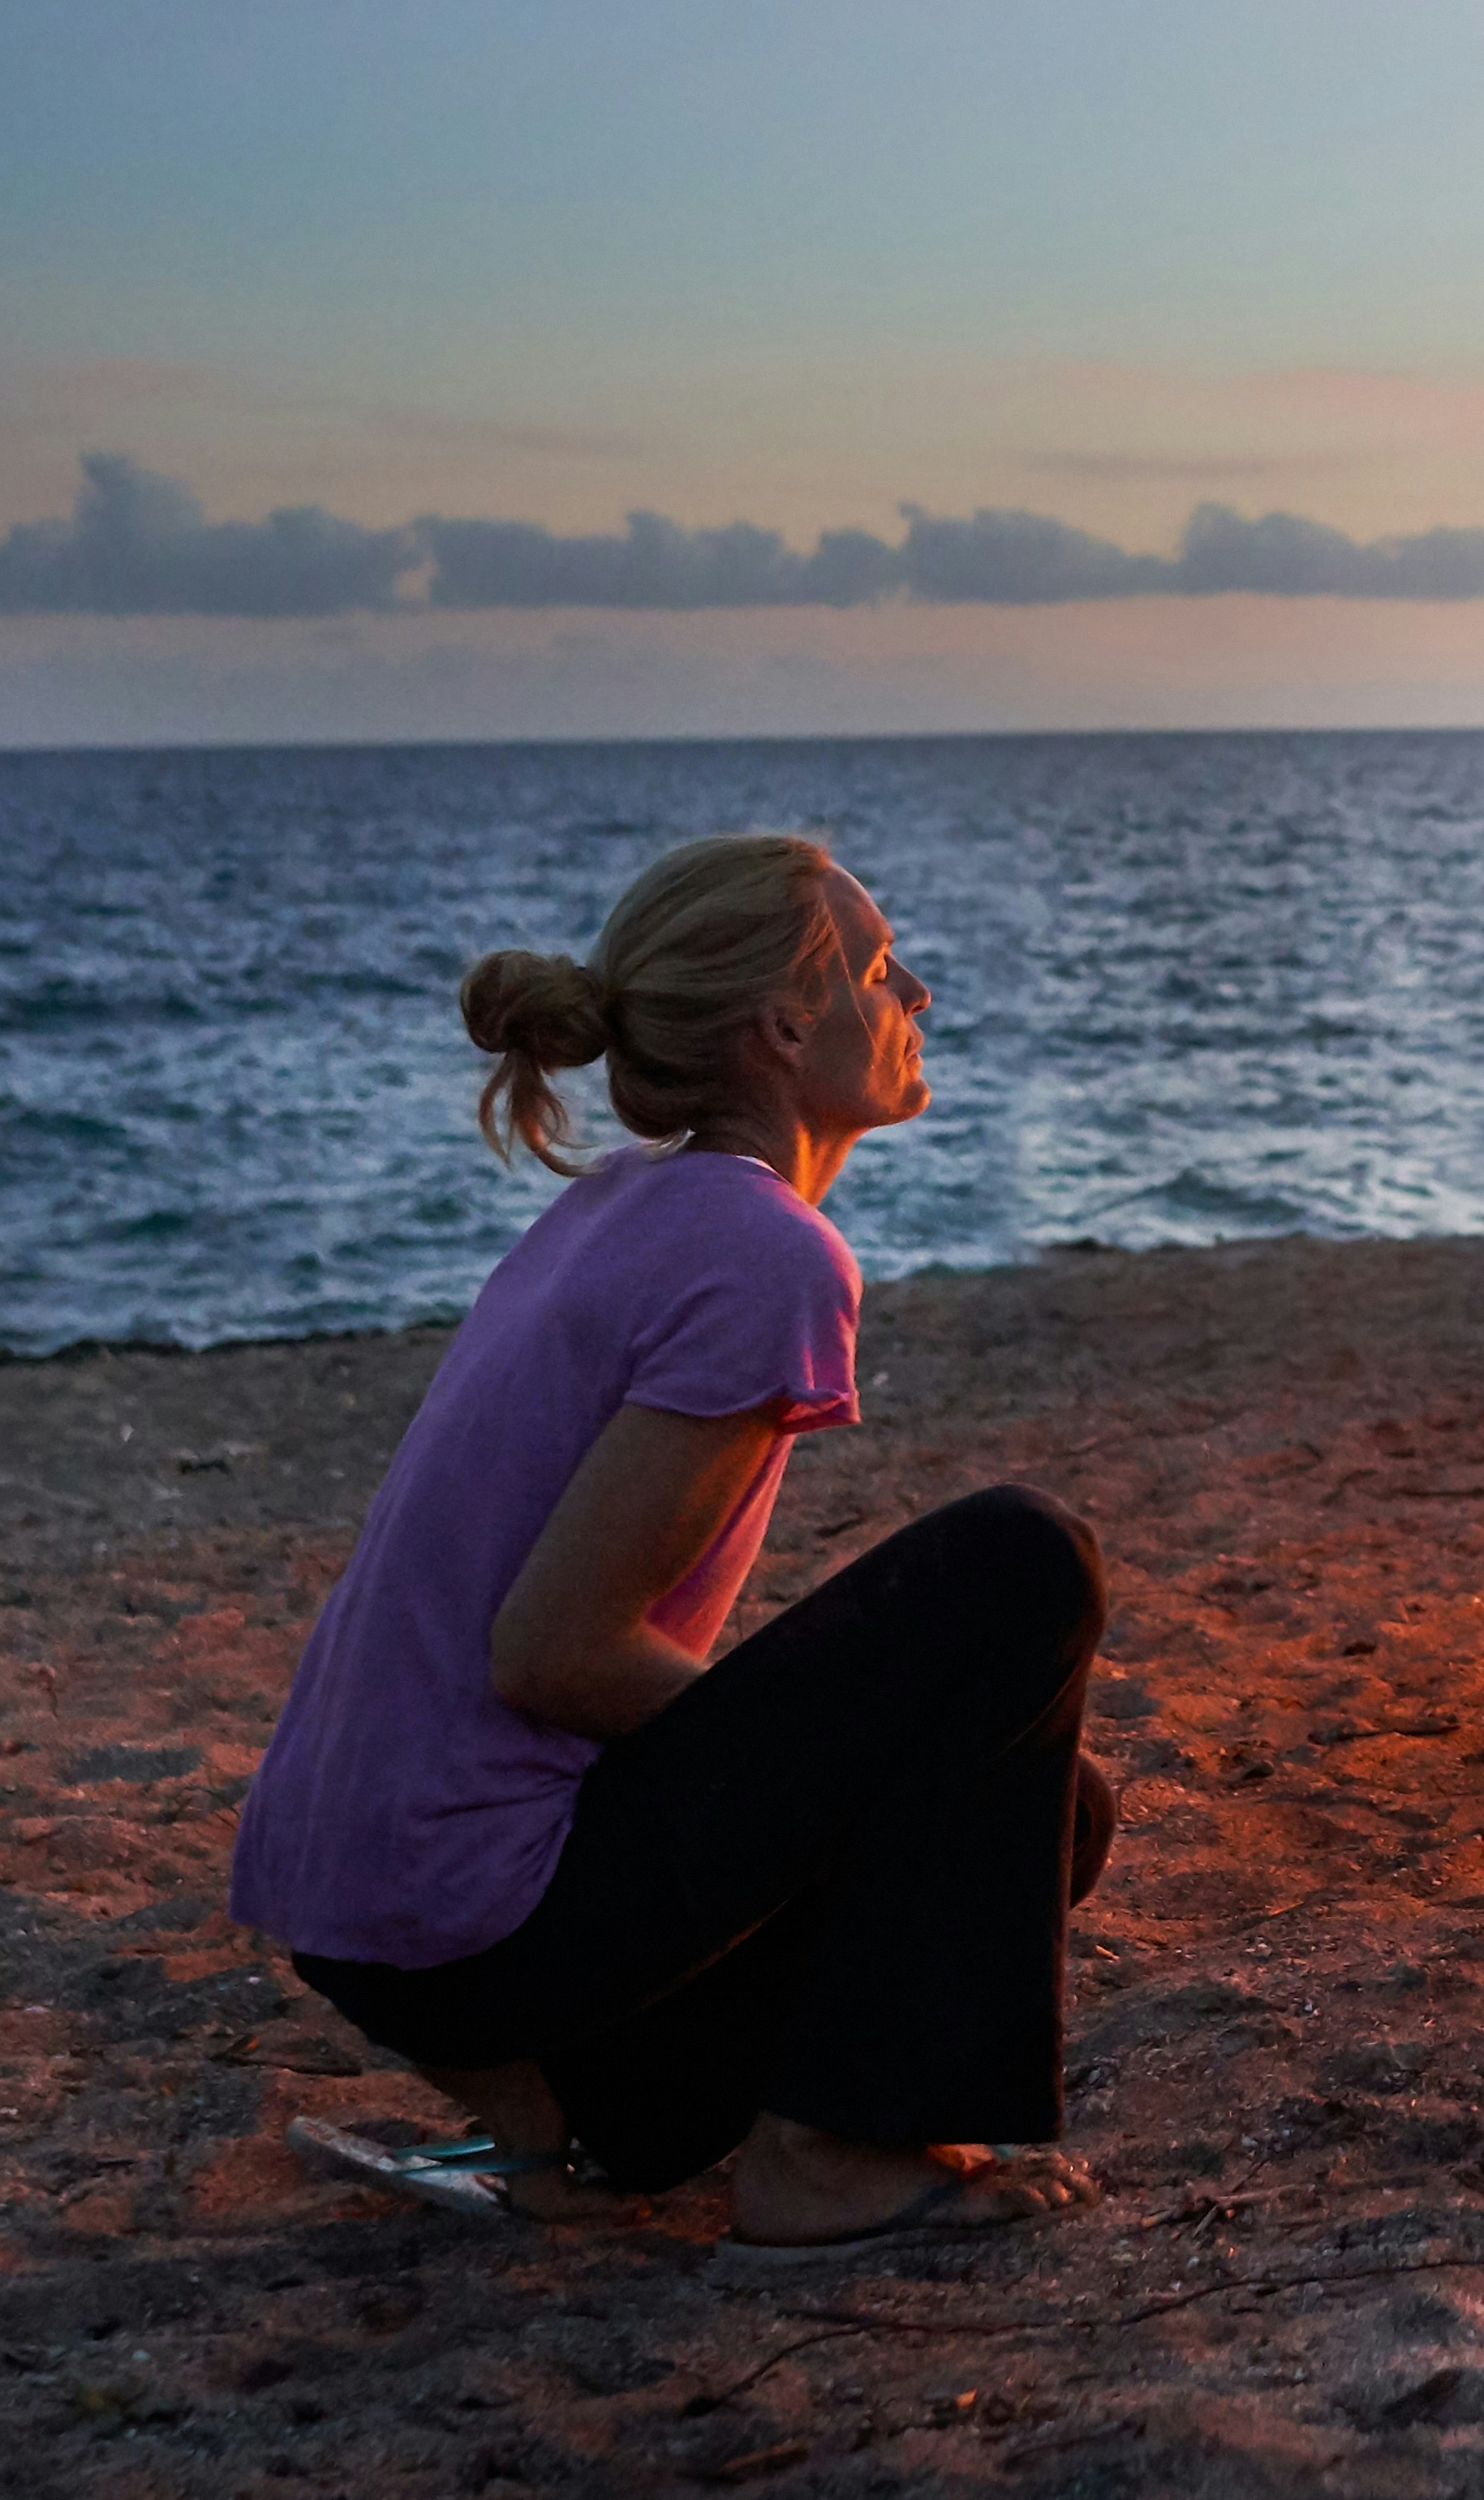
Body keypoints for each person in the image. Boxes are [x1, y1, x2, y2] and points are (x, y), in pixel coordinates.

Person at [229, 832, 1114, 2250]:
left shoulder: (620, 1207)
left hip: (367, 1913)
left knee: (1043, 1807)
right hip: (475, 1913)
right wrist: (860, 1769)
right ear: (780, 1026)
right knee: (1023, 1563)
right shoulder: (766, 1251)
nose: (920, 997)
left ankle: (583, 2114)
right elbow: (553, 1653)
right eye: (882, 971)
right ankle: (821, 2158)